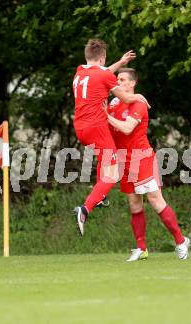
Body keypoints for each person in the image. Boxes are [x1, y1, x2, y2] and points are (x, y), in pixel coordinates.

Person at [105, 68, 190, 261]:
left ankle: (180, 241)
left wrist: (106, 116)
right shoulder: (114, 103)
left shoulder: (139, 103)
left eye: (122, 79)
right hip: (123, 159)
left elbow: (127, 128)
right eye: (117, 79)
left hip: (141, 158)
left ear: (132, 83)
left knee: (155, 200)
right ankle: (141, 248)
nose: (118, 82)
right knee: (135, 204)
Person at [72, 38, 148, 236]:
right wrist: (139, 97)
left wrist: (121, 63)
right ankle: (85, 209)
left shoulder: (80, 72)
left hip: (80, 128)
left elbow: (103, 72)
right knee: (112, 175)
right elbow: (125, 97)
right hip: (96, 126)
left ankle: (101, 195)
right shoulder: (105, 76)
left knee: (104, 159)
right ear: (103, 58)